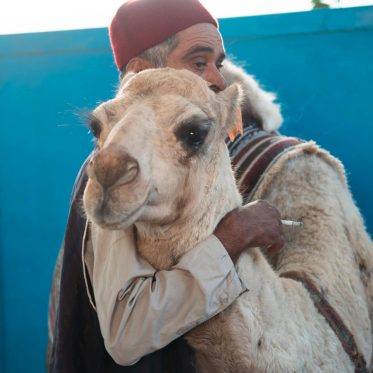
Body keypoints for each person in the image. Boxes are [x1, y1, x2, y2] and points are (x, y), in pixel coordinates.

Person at [48, 0, 373, 372]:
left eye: (217, 63)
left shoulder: (175, 164)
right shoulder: (119, 171)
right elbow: (127, 330)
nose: (219, 79)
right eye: (199, 62)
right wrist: (233, 237)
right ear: (140, 73)